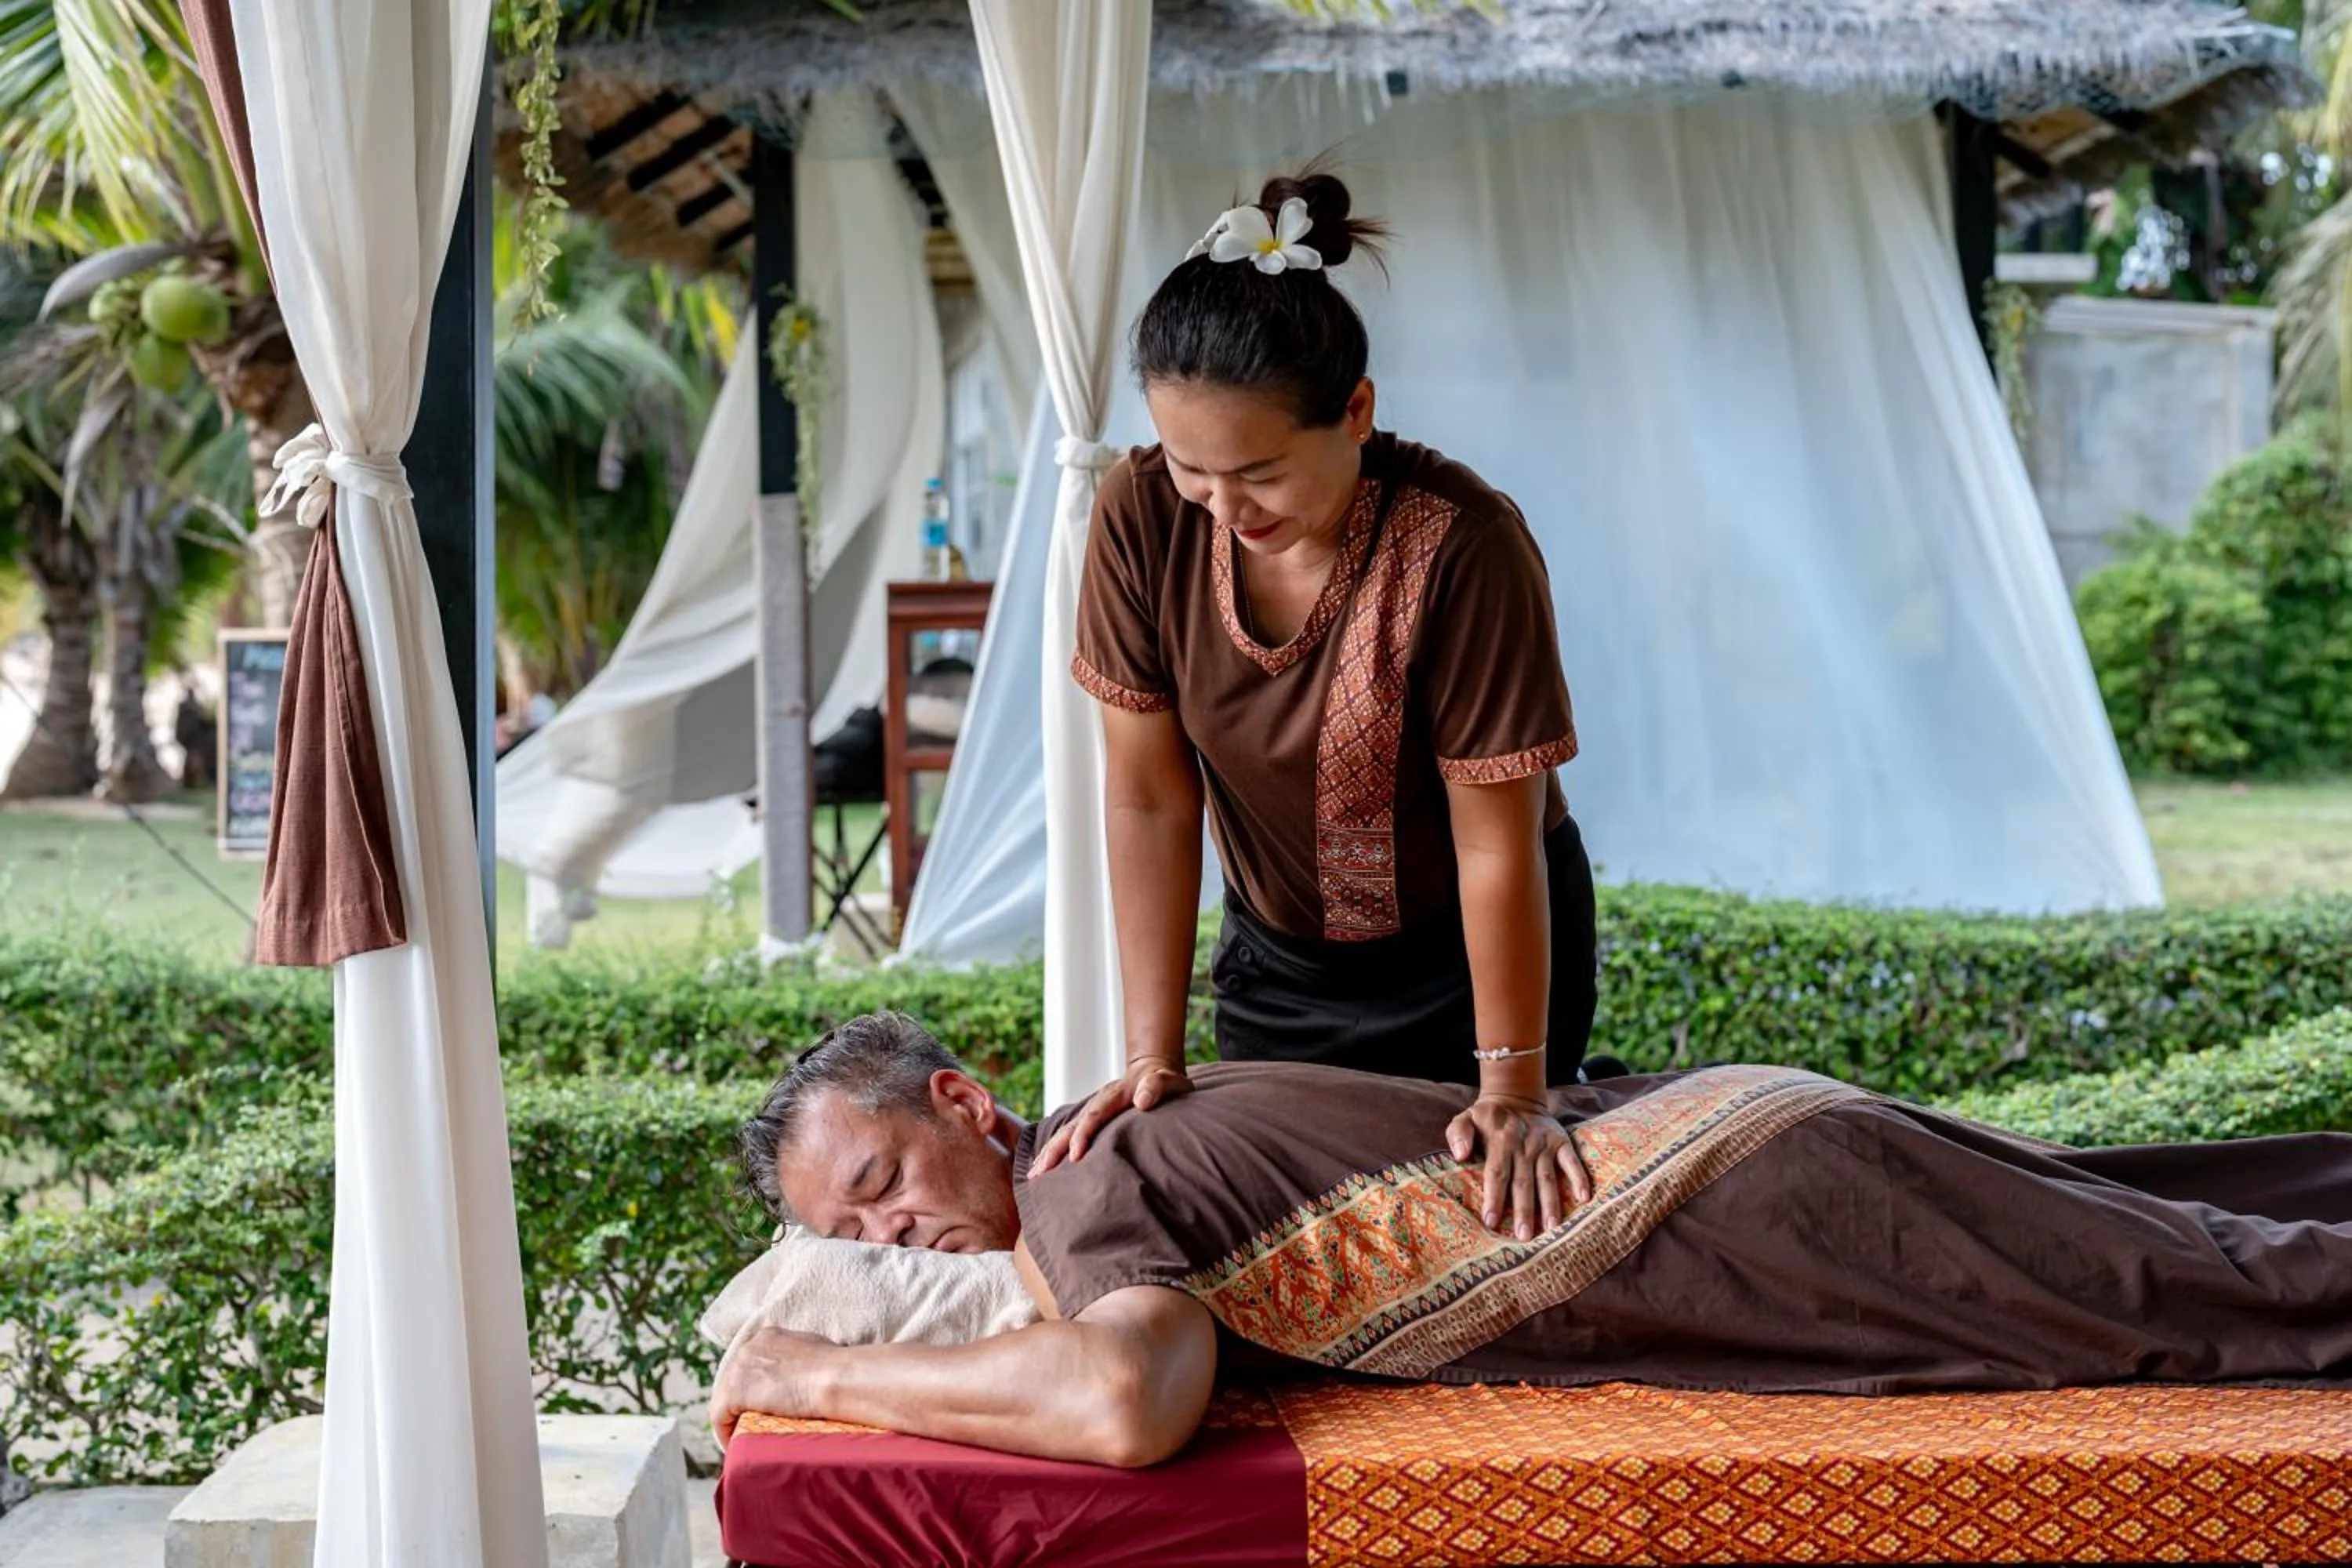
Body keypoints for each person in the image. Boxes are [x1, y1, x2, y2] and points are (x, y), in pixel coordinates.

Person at [710, 1014, 2352, 1470]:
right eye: (850, 1235)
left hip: (1747, 1203)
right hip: (1751, 1150)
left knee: (2216, 1294)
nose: (891, 1232)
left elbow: (1126, 1402)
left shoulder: (1079, 1184)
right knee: (2225, 1211)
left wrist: (818, 1370)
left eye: (876, 1184)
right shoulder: (1102, 1142)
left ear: (964, 1099)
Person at [1054, 167, 1610, 1240]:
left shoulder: (1465, 543)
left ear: (1355, 412)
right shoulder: (1139, 516)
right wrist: (1151, 1057)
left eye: (1259, 470)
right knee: (1285, 1247)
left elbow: (1501, 844)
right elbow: (1149, 801)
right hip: (1280, 963)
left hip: (1472, 966)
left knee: (1487, 1231)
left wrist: (1514, 1089)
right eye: (1192, 468)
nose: (1225, 506)